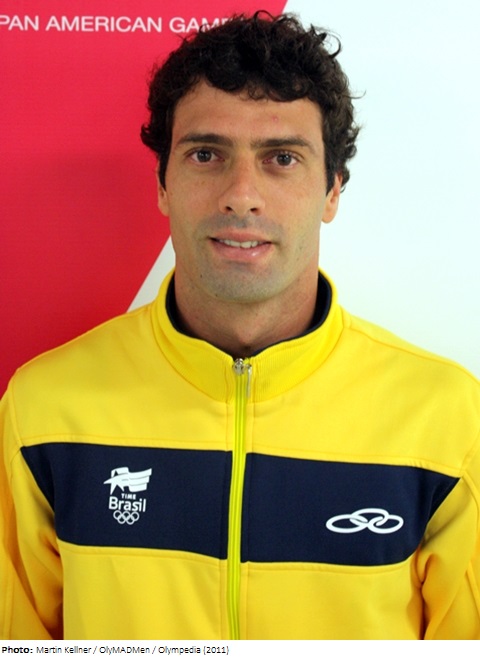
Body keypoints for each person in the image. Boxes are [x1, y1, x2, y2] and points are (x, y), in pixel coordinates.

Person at [1, 12, 479, 641]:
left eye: (281, 158)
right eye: (206, 154)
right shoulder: (44, 410)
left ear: (332, 191)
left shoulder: (447, 419)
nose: (241, 194)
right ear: (163, 184)